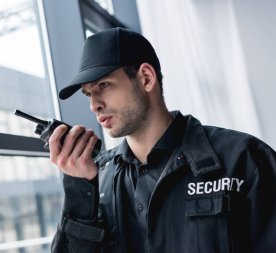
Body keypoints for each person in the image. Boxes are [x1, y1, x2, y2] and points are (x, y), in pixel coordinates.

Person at [48, 27, 276, 253]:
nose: (94, 105)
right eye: (88, 93)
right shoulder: (95, 180)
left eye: (103, 86)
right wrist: (79, 194)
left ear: (146, 78)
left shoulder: (245, 158)